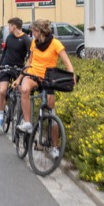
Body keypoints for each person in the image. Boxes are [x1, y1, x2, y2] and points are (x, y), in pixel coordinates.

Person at [14, 19, 76, 158]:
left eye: (33, 31)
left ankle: (54, 147)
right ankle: (28, 123)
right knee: (25, 89)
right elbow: (29, 62)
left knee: (52, 113)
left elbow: (67, 62)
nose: (32, 33)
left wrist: (71, 75)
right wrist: (20, 78)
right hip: (33, 75)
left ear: (39, 31)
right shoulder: (34, 43)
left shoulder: (55, 43)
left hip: (48, 78)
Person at [0, 18, 31, 132]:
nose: (9, 27)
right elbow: (4, 52)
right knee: (2, 91)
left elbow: (30, 57)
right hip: (6, 67)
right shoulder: (9, 37)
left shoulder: (26, 39)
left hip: (18, 69)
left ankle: (23, 117)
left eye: (9, 26)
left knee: (23, 91)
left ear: (14, 27)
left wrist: (26, 69)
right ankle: (0, 117)